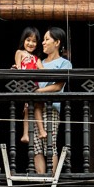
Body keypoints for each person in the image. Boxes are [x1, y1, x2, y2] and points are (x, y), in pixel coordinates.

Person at [32, 26, 72, 175]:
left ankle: (51, 179)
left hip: (51, 108)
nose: (43, 42)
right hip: (34, 107)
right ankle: (42, 179)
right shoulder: (39, 62)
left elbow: (58, 86)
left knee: (50, 144)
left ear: (57, 43)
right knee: (36, 146)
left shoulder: (64, 63)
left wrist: (37, 92)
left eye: (47, 39)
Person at [13, 27, 46, 143]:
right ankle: (25, 134)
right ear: (24, 40)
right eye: (28, 40)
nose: (31, 43)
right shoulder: (20, 52)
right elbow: (18, 66)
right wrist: (15, 69)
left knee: (36, 107)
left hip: (35, 85)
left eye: (34, 41)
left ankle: (41, 131)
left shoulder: (37, 58)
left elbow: (43, 71)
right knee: (27, 109)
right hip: (24, 84)